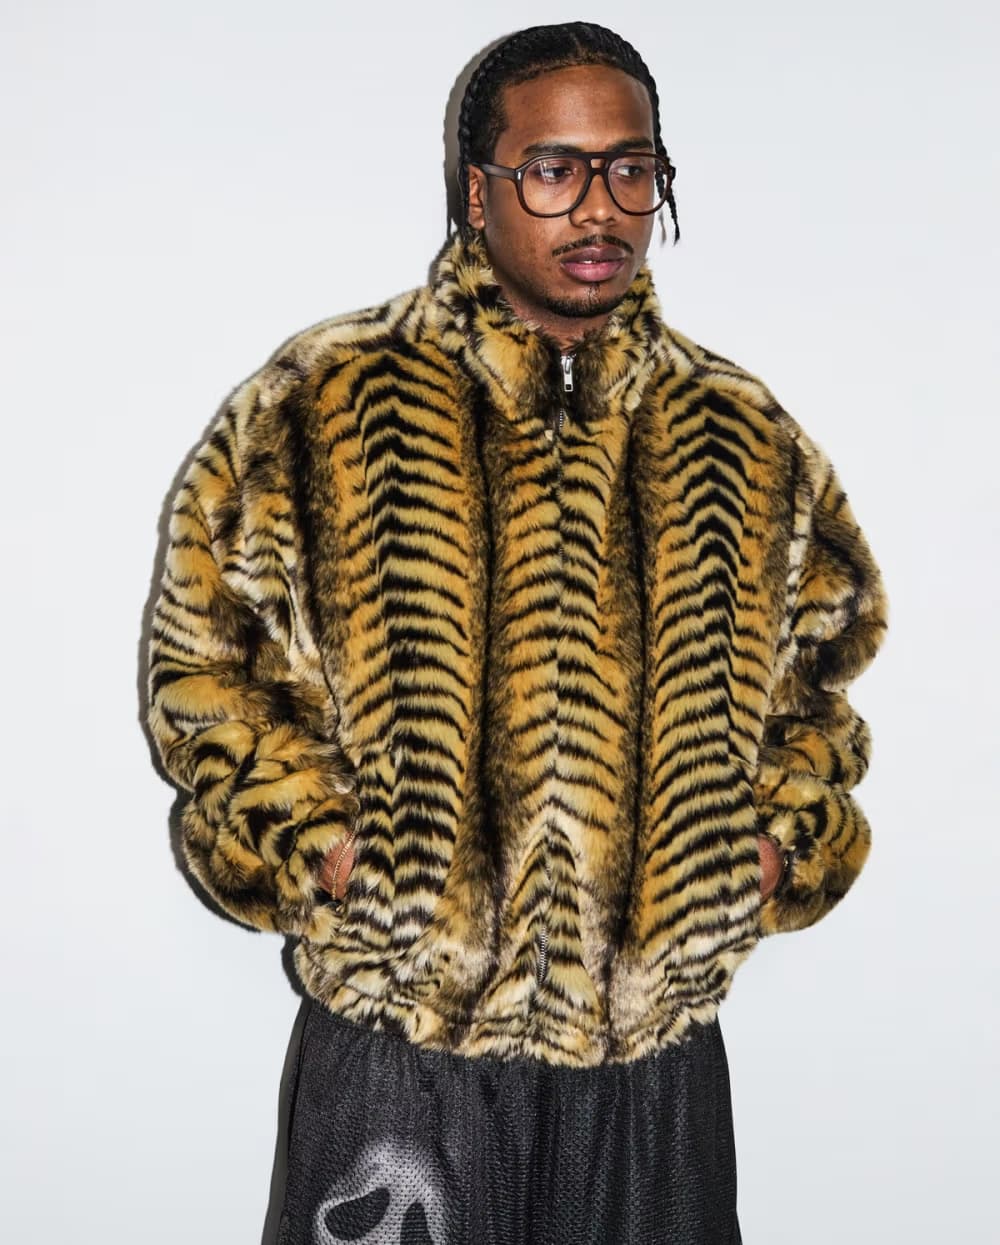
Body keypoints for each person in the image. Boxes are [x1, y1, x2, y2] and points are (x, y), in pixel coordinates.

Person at [146, 21, 888, 1245]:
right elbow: (207, 666)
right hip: (403, 1046)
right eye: (552, 169)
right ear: (474, 189)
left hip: (652, 1062)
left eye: (631, 168)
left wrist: (767, 850)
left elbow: (821, 679)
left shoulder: (743, 436)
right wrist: (323, 850)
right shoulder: (323, 400)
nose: (597, 206)